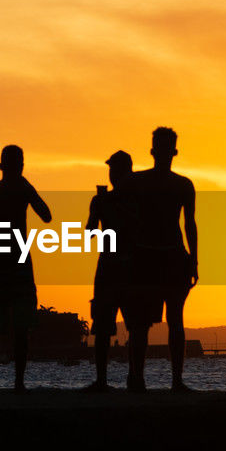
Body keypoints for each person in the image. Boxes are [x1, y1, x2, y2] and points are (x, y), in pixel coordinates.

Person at [0, 145, 51, 393]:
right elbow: (46, 216)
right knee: (7, 328)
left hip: (9, 263)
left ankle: (6, 382)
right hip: (11, 263)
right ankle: (10, 382)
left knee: (11, 328)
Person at [125, 127, 198, 392]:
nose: (164, 152)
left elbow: (190, 223)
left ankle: (175, 380)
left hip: (171, 256)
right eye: (161, 147)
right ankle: (138, 378)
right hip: (146, 256)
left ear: (172, 151)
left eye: (167, 147)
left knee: (174, 319)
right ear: (154, 151)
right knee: (141, 323)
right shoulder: (137, 182)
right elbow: (126, 220)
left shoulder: (182, 185)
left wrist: (194, 259)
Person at [83, 151, 136, 393]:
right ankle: (102, 380)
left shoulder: (138, 199)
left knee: (136, 325)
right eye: (111, 171)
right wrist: (97, 209)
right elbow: (90, 232)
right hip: (109, 267)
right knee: (103, 326)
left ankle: (135, 378)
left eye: (116, 170)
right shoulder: (102, 200)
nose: (112, 175)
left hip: (130, 267)